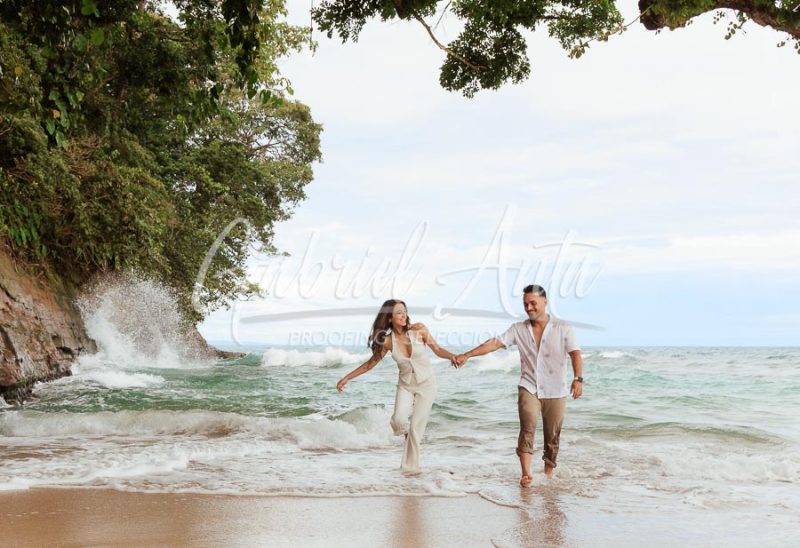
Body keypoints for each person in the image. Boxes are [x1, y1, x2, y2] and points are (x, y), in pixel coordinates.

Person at [454, 284, 583, 487]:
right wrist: (467, 355)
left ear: (545, 302)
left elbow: (575, 353)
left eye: (533, 303)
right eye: (525, 304)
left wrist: (578, 378)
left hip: (555, 389)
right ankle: (526, 474)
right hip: (528, 386)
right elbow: (494, 343)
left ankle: (548, 474)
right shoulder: (518, 329)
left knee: (552, 435)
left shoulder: (562, 327)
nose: (529, 308)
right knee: (527, 426)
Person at [336, 299, 458, 474]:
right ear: (390, 318)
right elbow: (370, 364)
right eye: (399, 312)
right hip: (405, 385)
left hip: (427, 384)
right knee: (398, 420)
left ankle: (410, 470)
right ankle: (411, 439)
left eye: (404, 311)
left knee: (415, 429)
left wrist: (452, 356)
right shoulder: (387, 341)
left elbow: (437, 350)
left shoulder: (419, 329)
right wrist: (347, 378)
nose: (403, 315)